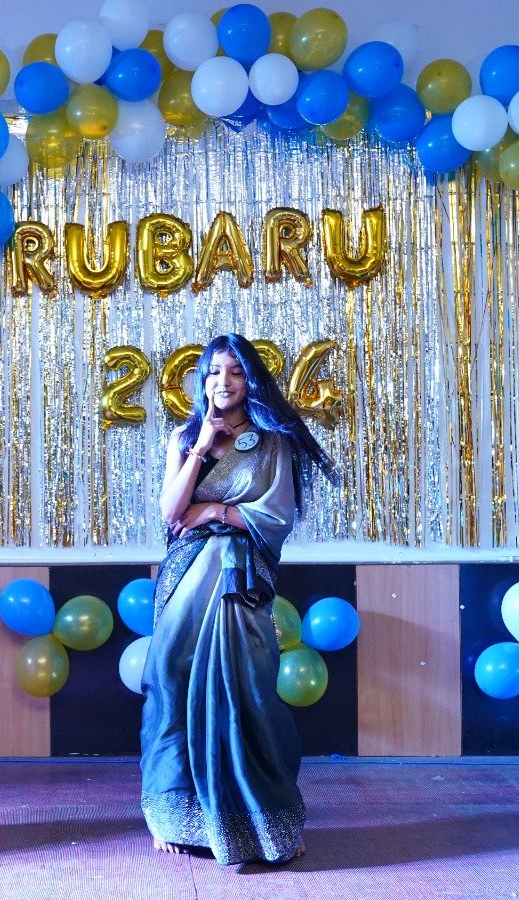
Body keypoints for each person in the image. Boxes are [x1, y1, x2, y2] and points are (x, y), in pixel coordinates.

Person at [140, 333, 335, 866]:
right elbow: (170, 513)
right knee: (172, 684)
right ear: (202, 380)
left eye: (235, 372)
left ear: (251, 381)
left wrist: (215, 512)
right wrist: (200, 447)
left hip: (239, 580)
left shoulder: (273, 441)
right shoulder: (184, 437)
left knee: (247, 690)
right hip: (185, 582)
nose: (223, 382)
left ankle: (268, 815)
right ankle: (174, 814)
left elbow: (277, 516)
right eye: (213, 372)